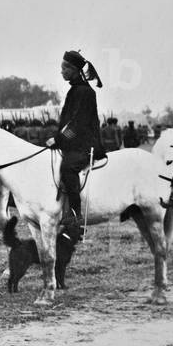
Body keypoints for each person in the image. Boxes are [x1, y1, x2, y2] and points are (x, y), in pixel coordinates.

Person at [45, 50, 105, 240]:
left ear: (74, 70)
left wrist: (59, 140)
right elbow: (67, 123)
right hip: (74, 144)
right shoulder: (75, 90)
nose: (61, 72)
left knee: (68, 168)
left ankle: (75, 215)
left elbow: (77, 124)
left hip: (85, 146)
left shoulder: (85, 92)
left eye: (64, 68)